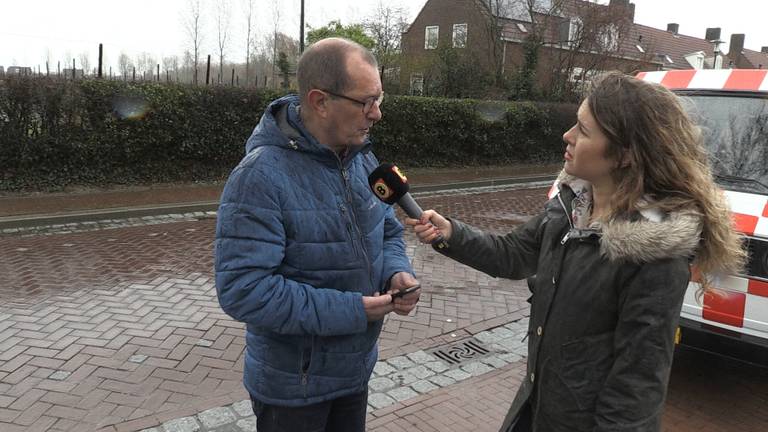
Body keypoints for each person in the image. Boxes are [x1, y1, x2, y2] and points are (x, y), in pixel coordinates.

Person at [406, 72, 744, 432]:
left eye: (583, 130)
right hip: (536, 407)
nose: (567, 135)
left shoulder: (655, 256)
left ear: (625, 153)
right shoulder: (571, 204)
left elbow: (636, 389)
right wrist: (451, 234)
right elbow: (513, 253)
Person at [215, 37, 420, 432]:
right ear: (320, 101)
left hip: (354, 372)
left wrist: (396, 271)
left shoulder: (363, 160)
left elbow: (389, 230)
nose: (376, 114)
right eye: (366, 102)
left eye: (380, 99)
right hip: (295, 390)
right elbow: (243, 289)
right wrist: (354, 310)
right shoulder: (258, 178)